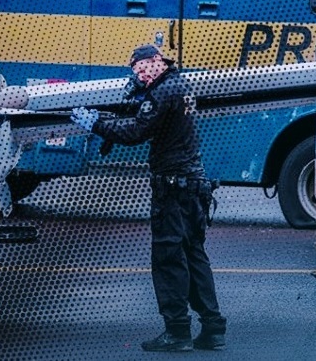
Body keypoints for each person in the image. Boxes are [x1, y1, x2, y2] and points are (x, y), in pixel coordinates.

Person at [72, 44, 227, 352]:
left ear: (158, 61)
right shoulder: (180, 85)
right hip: (194, 185)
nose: (141, 75)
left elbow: (136, 133)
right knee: (194, 255)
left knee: (168, 258)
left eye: (144, 68)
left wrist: (96, 123)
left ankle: (177, 332)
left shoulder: (162, 93)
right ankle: (213, 328)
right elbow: (158, 121)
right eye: (136, 72)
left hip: (172, 188)